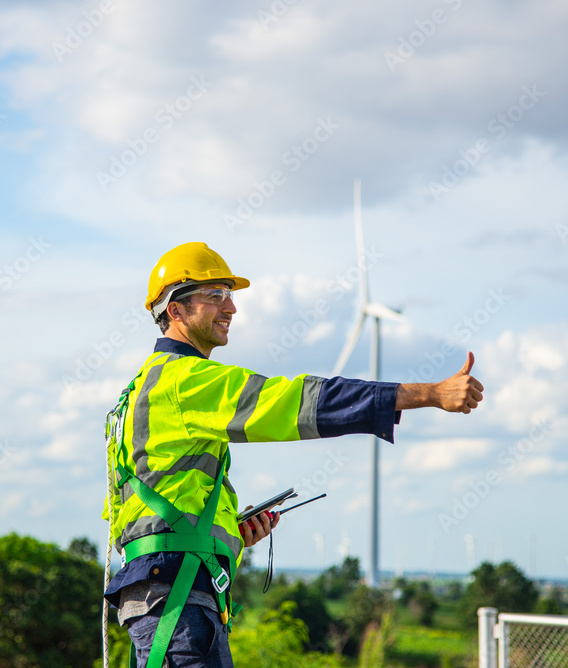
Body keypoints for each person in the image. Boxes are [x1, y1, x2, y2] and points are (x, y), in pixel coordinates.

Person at [103, 242, 483, 667]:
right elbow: (295, 402)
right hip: (176, 604)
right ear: (176, 310)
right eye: (215, 296)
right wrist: (427, 394)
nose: (231, 308)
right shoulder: (184, 381)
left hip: (162, 598)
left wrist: (227, 532)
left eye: (230, 295)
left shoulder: (134, 393)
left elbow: (136, 518)